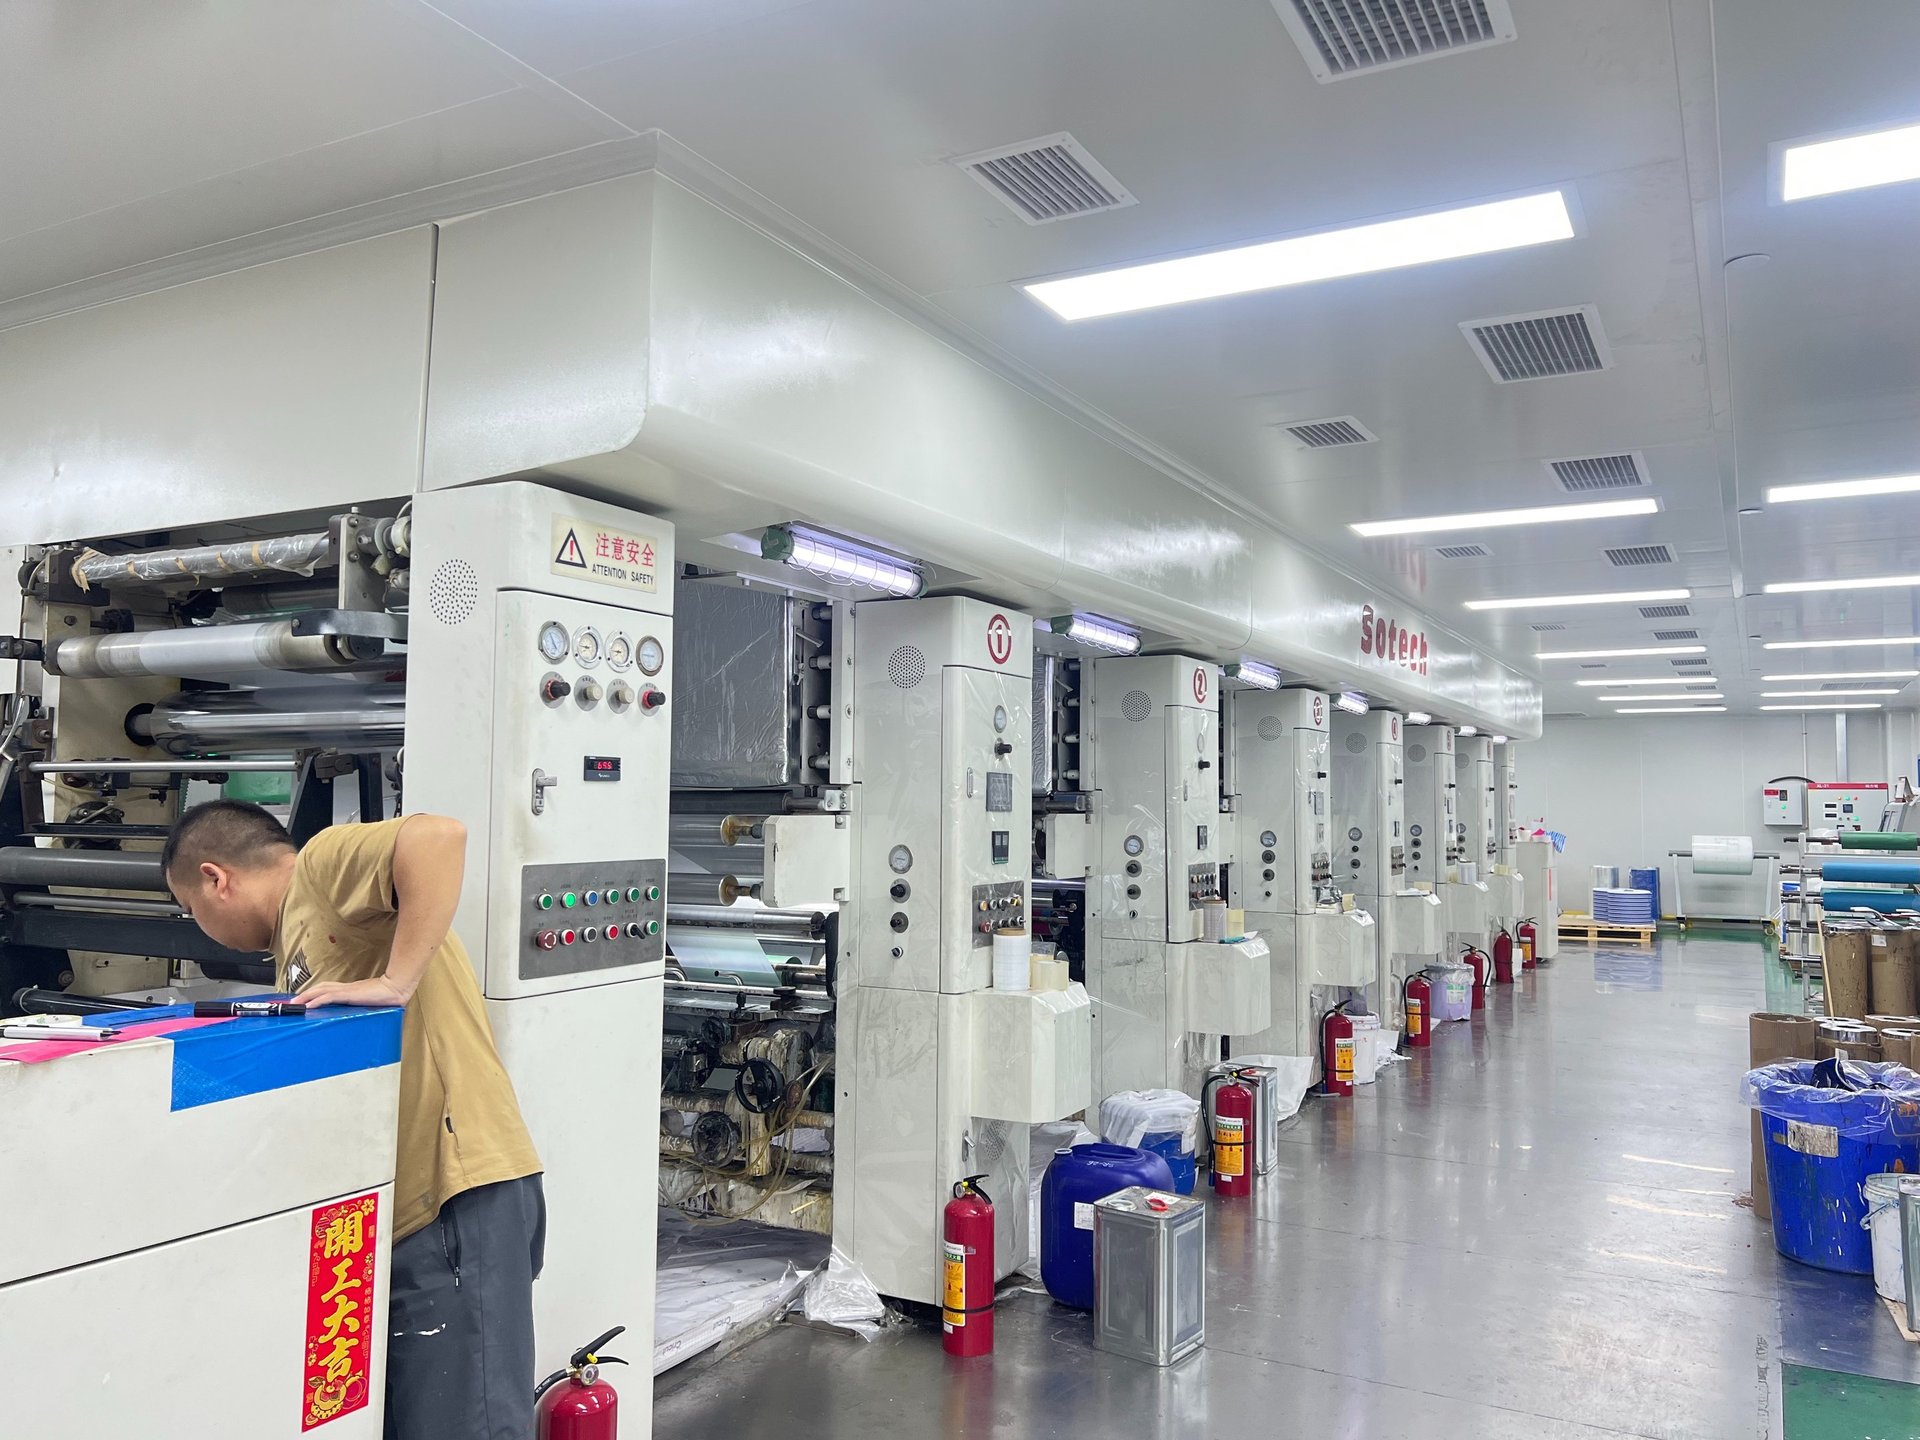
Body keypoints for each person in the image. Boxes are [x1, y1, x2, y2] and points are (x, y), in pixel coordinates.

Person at [163, 801, 544, 1440]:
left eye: (191, 909)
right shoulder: (299, 937)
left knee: (464, 1425)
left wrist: (396, 981)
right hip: (406, 1210)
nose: (200, 927)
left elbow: (437, 837)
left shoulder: (316, 868)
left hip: (452, 1197)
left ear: (215, 878)